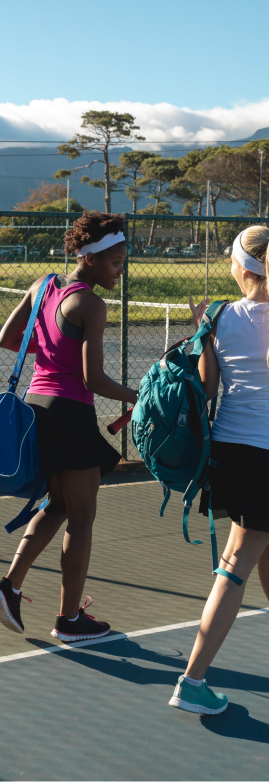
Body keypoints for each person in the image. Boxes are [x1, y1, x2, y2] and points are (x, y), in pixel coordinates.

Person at [168, 225, 269, 716]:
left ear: (243, 266)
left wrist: (203, 337)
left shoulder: (217, 316)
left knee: (265, 550)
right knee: (235, 565)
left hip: (228, 455)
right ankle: (193, 680)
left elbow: (207, 393)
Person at [0, 212, 139, 641]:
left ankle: (8, 586)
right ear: (93, 258)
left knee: (58, 505)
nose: (120, 270)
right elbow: (92, 381)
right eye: (115, 261)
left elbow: (7, 338)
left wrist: (52, 349)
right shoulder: (90, 304)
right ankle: (69, 621)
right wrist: (139, 395)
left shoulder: (42, 285)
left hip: (38, 406)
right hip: (69, 413)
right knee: (82, 516)